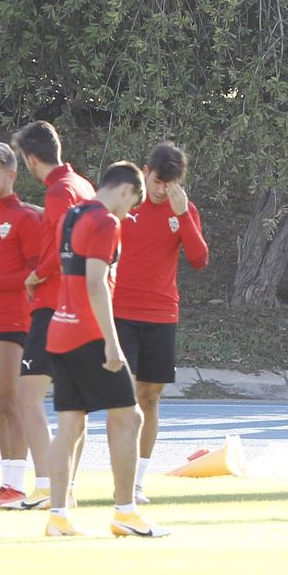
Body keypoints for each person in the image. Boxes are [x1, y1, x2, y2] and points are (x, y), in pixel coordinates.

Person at [43, 162, 167, 539]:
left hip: (59, 330)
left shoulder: (72, 214)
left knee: (70, 424)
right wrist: (112, 343)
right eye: (131, 205)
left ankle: (58, 516)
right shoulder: (105, 222)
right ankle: (125, 513)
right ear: (127, 190)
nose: (127, 215)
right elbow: (95, 284)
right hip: (88, 334)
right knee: (131, 418)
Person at [114, 142, 210, 503]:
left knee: (149, 398)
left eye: (169, 183)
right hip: (120, 313)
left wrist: (183, 215)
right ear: (145, 171)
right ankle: (121, 481)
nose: (160, 189)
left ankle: (137, 483)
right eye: (156, 180)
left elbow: (199, 259)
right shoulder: (125, 203)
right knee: (123, 400)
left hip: (161, 314)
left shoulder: (183, 210)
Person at [9, 120, 94, 510]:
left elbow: (64, 245)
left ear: (30, 160)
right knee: (75, 404)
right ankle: (66, 488)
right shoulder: (82, 186)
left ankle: (47, 484)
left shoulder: (59, 191)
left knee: (28, 397)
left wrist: (36, 274)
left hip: (53, 303)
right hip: (82, 305)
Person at [0, 142, 44, 508]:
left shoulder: (25, 217)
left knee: (9, 400)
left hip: (13, 318)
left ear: (11, 175)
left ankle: (17, 485)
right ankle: (7, 482)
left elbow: (37, 272)